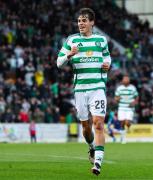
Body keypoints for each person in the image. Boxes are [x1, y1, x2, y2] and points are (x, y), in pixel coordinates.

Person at [57, 8, 111, 175]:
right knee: (86, 127)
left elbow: (107, 57)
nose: (81, 23)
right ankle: (91, 146)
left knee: (99, 124)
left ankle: (98, 163)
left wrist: (108, 64)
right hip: (80, 90)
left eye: (84, 20)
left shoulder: (101, 40)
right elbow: (59, 63)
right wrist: (69, 55)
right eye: (79, 21)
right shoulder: (71, 40)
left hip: (97, 89)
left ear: (92, 22)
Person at [115, 75, 139, 144]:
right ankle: (123, 138)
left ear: (129, 80)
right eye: (124, 79)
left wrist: (134, 102)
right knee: (122, 122)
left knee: (127, 122)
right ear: (122, 80)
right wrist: (117, 99)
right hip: (121, 107)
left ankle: (128, 127)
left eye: (127, 79)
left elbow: (136, 97)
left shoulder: (132, 88)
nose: (126, 80)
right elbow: (116, 97)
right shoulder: (119, 88)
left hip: (129, 108)